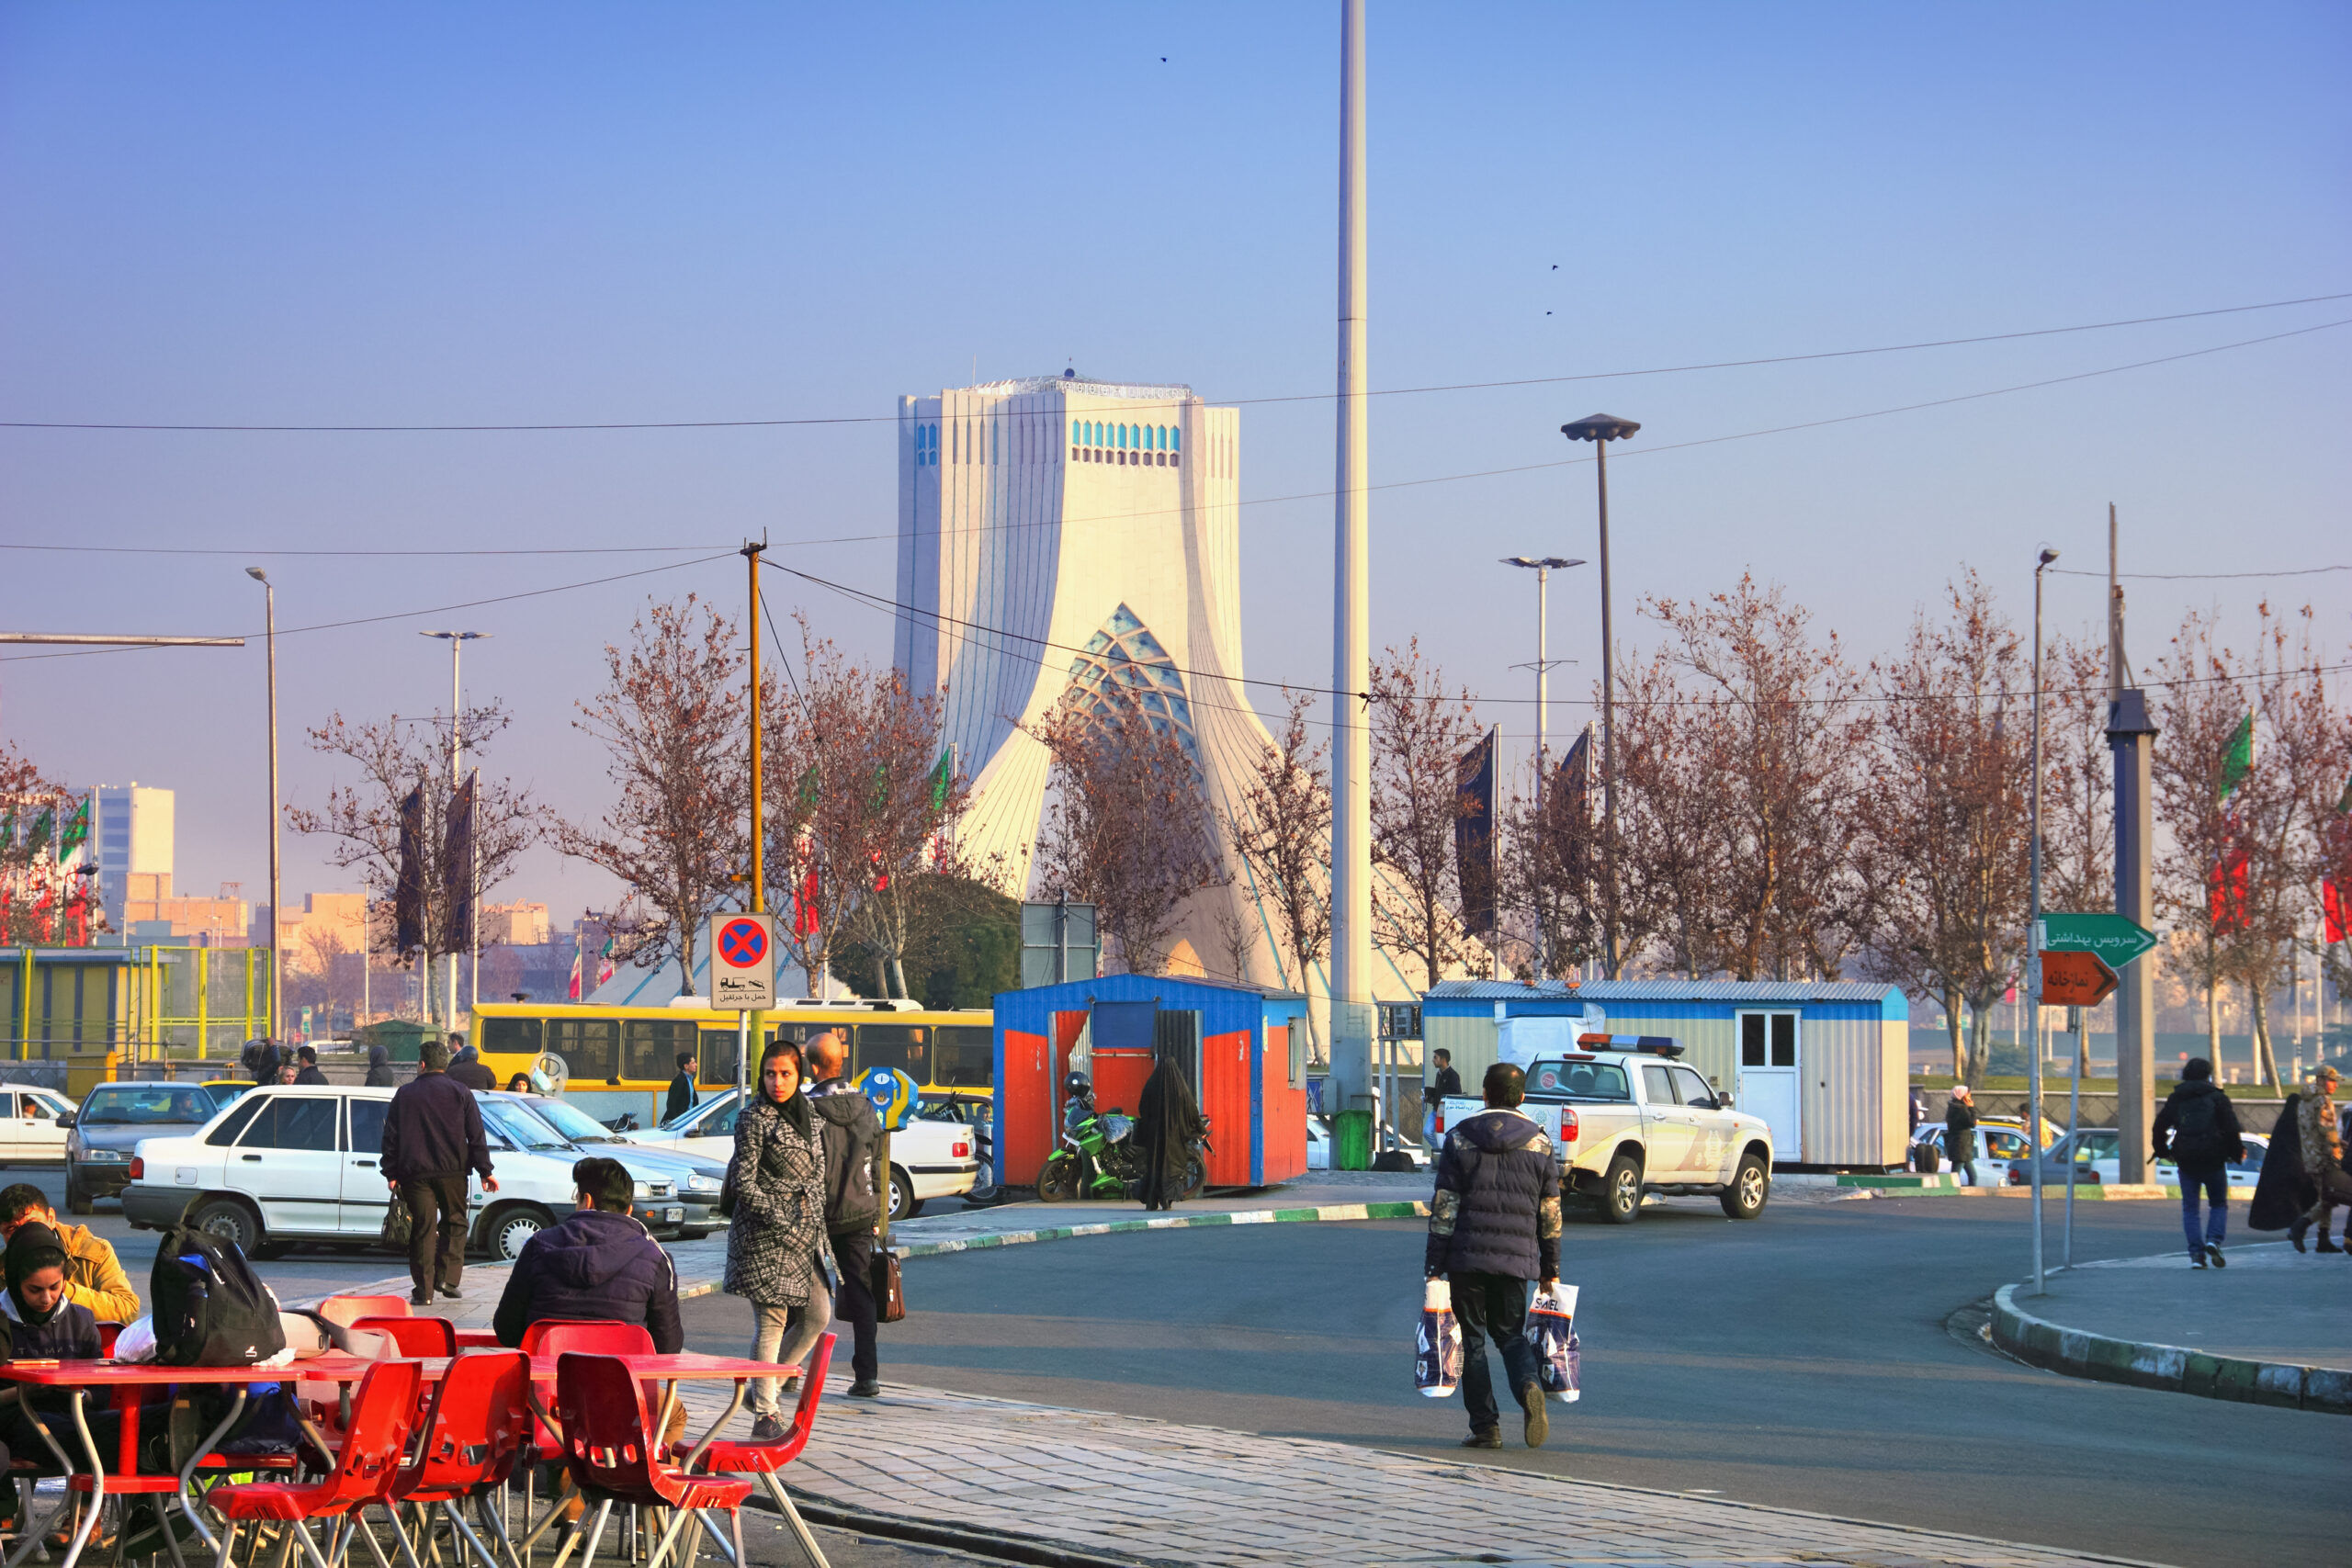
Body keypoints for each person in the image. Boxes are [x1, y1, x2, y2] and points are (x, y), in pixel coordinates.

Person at [1426, 1062, 1561, 1450]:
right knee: (1511, 1336)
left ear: (1483, 1095)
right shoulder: (1540, 1143)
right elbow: (1550, 1213)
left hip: (1466, 1261)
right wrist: (1550, 1267)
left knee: (1472, 1342)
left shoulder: (1460, 1138)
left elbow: (1444, 1208)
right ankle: (1529, 1385)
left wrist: (1434, 1264)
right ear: (1522, 1098)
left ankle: (1486, 1428)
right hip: (1517, 1260)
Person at [724, 1038, 831, 1441]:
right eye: (770, 1074)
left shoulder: (811, 1116)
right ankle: (765, 1414)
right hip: (764, 1236)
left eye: (785, 1074)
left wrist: (815, 1222)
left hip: (806, 1235)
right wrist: (780, 1214)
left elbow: (818, 1176)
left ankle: (762, 1385)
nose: (777, 1082)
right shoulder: (753, 1119)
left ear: (799, 1075)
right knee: (772, 1321)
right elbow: (743, 1183)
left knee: (819, 1315)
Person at [493, 1156, 682, 1351]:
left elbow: (507, 1331)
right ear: (630, 1210)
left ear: (587, 1200)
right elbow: (668, 1347)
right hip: (623, 1380)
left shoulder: (537, 1246)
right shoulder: (656, 1258)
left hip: (548, 1380)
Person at [381, 1039, 497, 1306]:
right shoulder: (461, 1092)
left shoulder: (405, 1094)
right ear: (445, 1064)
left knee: (423, 1228)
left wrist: (391, 1172)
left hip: (415, 1174)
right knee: (455, 1223)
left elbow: (391, 1137)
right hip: (453, 1173)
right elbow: (476, 1135)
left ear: (421, 1064)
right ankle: (447, 1278)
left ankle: (424, 1292)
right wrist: (485, 1170)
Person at [804, 1029, 885, 1397]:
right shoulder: (866, 1106)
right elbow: (879, 1159)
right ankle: (866, 1375)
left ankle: (790, 1370)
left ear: (813, 1066)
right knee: (861, 1292)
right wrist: (877, 1211)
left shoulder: (806, 1108)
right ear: (840, 1063)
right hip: (858, 1212)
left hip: (816, 1216)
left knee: (799, 1293)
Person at [2152, 1057, 2245, 1268]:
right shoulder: (2218, 1098)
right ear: (2208, 1075)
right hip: (2214, 1159)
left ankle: (2196, 1255)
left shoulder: (2177, 1098)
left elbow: (2159, 1127)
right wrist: (2236, 1153)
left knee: (2190, 1208)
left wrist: (2162, 1151)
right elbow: (2231, 1129)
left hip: (2186, 1159)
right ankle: (2214, 1240)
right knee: (2218, 1204)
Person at [0, 1184, 138, 1324]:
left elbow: (127, 1310)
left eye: (33, 1224)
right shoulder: (3, 1267)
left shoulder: (93, 1251)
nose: (26, 1234)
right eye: (12, 1229)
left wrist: (62, 1288)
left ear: (51, 1218)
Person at [2289, 1065, 2352, 1255]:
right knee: (2329, 1198)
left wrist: (2339, 1142)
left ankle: (2322, 1239)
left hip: (2309, 1154)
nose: (2335, 1086)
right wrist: (2336, 1152)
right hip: (2324, 1158)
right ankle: (2300, 1226)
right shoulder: (2323, 1101)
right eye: (2332, 1081)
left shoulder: (2304, 1100)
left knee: (2326, 1196)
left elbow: (2312, 1130)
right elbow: (2327, 1131)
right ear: (2322, 1080)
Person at [1135, 1054, 1207, 1212]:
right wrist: (1201, 1130)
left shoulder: (1151, 1086)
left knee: (1153, 1166)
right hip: (1175, 1137)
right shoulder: (1180, 1089)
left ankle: (1151, 1202)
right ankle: (1167, 1201)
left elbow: (1142, 1108)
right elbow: (1192, 1111)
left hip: (1154, 1137)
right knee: (1171, 1168)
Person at [1422, 1049, 1463, 1146]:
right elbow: (1439, 1092)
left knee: (1446, 1136)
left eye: (1435, 1057)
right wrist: (1430, 1096)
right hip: (1436, 1110)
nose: (1433, 1060)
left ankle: (1442, 1151)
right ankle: (1439, 1150)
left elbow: (1456, 1095)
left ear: (1443, 1059)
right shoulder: (1439, 1074)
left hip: (1446, 1113)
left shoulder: (1453, 1075)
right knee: (1427, 1132)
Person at [1945, 1083, 1980, 1185]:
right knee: (1956, 1175)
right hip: (1961, 1146)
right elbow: (1971, 1123)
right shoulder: (1960, 1109)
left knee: (1972, 1175)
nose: (1969, 1097)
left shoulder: (1953, 1107)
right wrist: (1971, 1108)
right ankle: (1951, 1192)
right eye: (1968, 1095)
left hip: (1961, 1146)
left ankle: (1971, 1192)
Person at [665, 1051, 699, 1122]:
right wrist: (676, 1122)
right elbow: (671, 1104)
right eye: (693, 1063)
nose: (696, 1065)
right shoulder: (679, 1081)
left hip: (689, 1119)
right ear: (686, 1066)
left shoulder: (690, 1079)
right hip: (680, 1122)